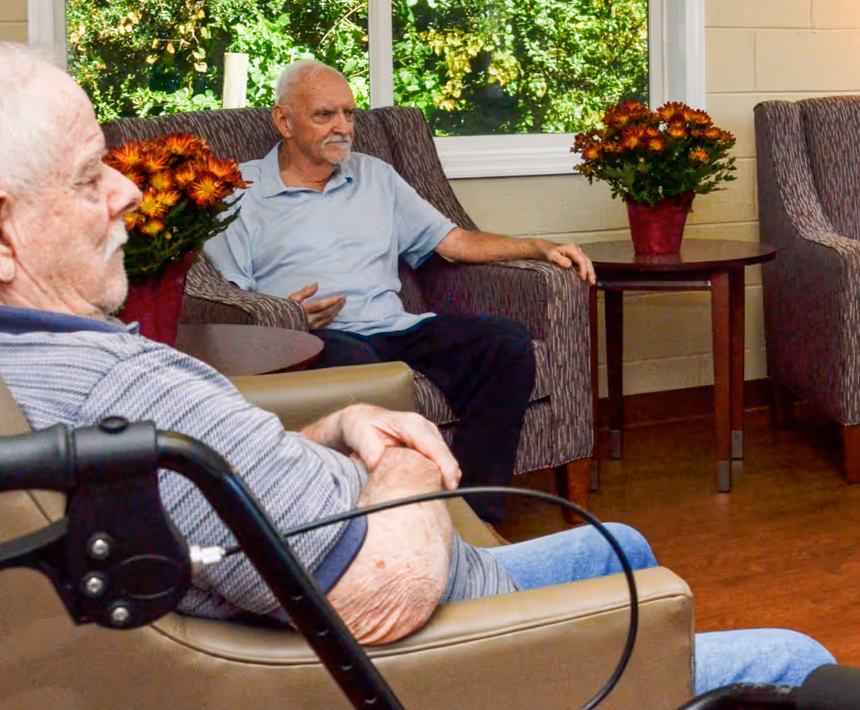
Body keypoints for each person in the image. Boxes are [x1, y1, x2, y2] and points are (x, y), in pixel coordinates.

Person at [0, 40, 857, 710]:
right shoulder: (131, 375)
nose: (127, 194)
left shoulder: (4, 367)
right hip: (392, 624)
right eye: (89, 175)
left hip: (381, 398)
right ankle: (613, 680)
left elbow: (192, 485)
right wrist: (405, 459)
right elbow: (377, 593)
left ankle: (502, 532)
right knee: (795, 670)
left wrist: (339, 429)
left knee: (613, 533)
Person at [201, 58, 594, 522]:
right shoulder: (240, 188)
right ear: (283, 121)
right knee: (360, 370)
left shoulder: (376, 176)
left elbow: (454, 241)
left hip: (395, 326)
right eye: (324, 115)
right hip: (315, 339)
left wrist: (538, 246)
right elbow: (230, 294)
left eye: (349, 114)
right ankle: (394, 520)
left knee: (505, 345)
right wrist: (285, 317)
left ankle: (474, 515)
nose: (343, 127)